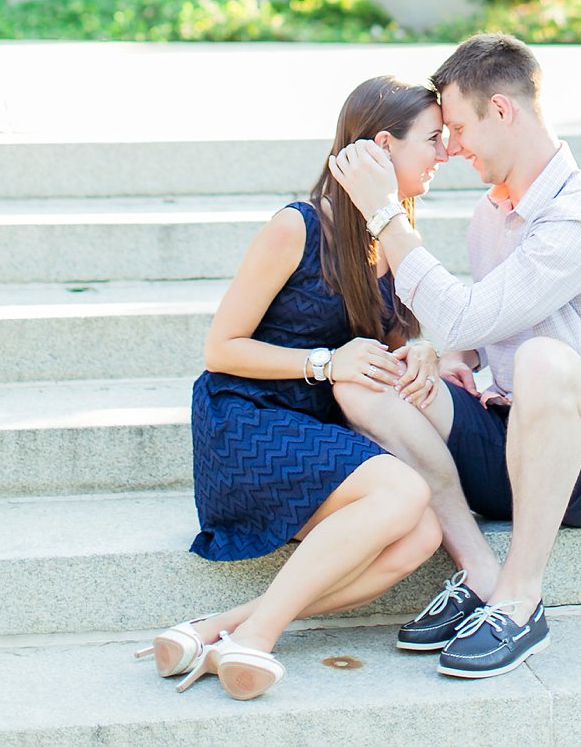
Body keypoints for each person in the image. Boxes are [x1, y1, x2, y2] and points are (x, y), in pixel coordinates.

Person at [326, 32, 581, 679]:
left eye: (455, 126)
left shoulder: (580, 218)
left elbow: (470, 314)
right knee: (367, 381)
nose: (449, 147)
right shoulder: (493, 212)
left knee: (542, 360)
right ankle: (480, 574)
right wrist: (443, 354)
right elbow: (477, 323)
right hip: (512, 436)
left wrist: (383, 213)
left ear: (502, 111)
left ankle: (520, 598)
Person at [140, 76, 450, 700]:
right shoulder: (298, 227)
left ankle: (217, 629)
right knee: (405, 490)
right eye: (434, 139)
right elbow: (220, 349)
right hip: (247, 424)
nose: (444, 154)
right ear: (384, 146)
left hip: (316, 432)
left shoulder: (392, 234)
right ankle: (258, 638)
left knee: (423, 533)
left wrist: (420, 349)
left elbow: (382, 344)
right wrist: (326, 363)